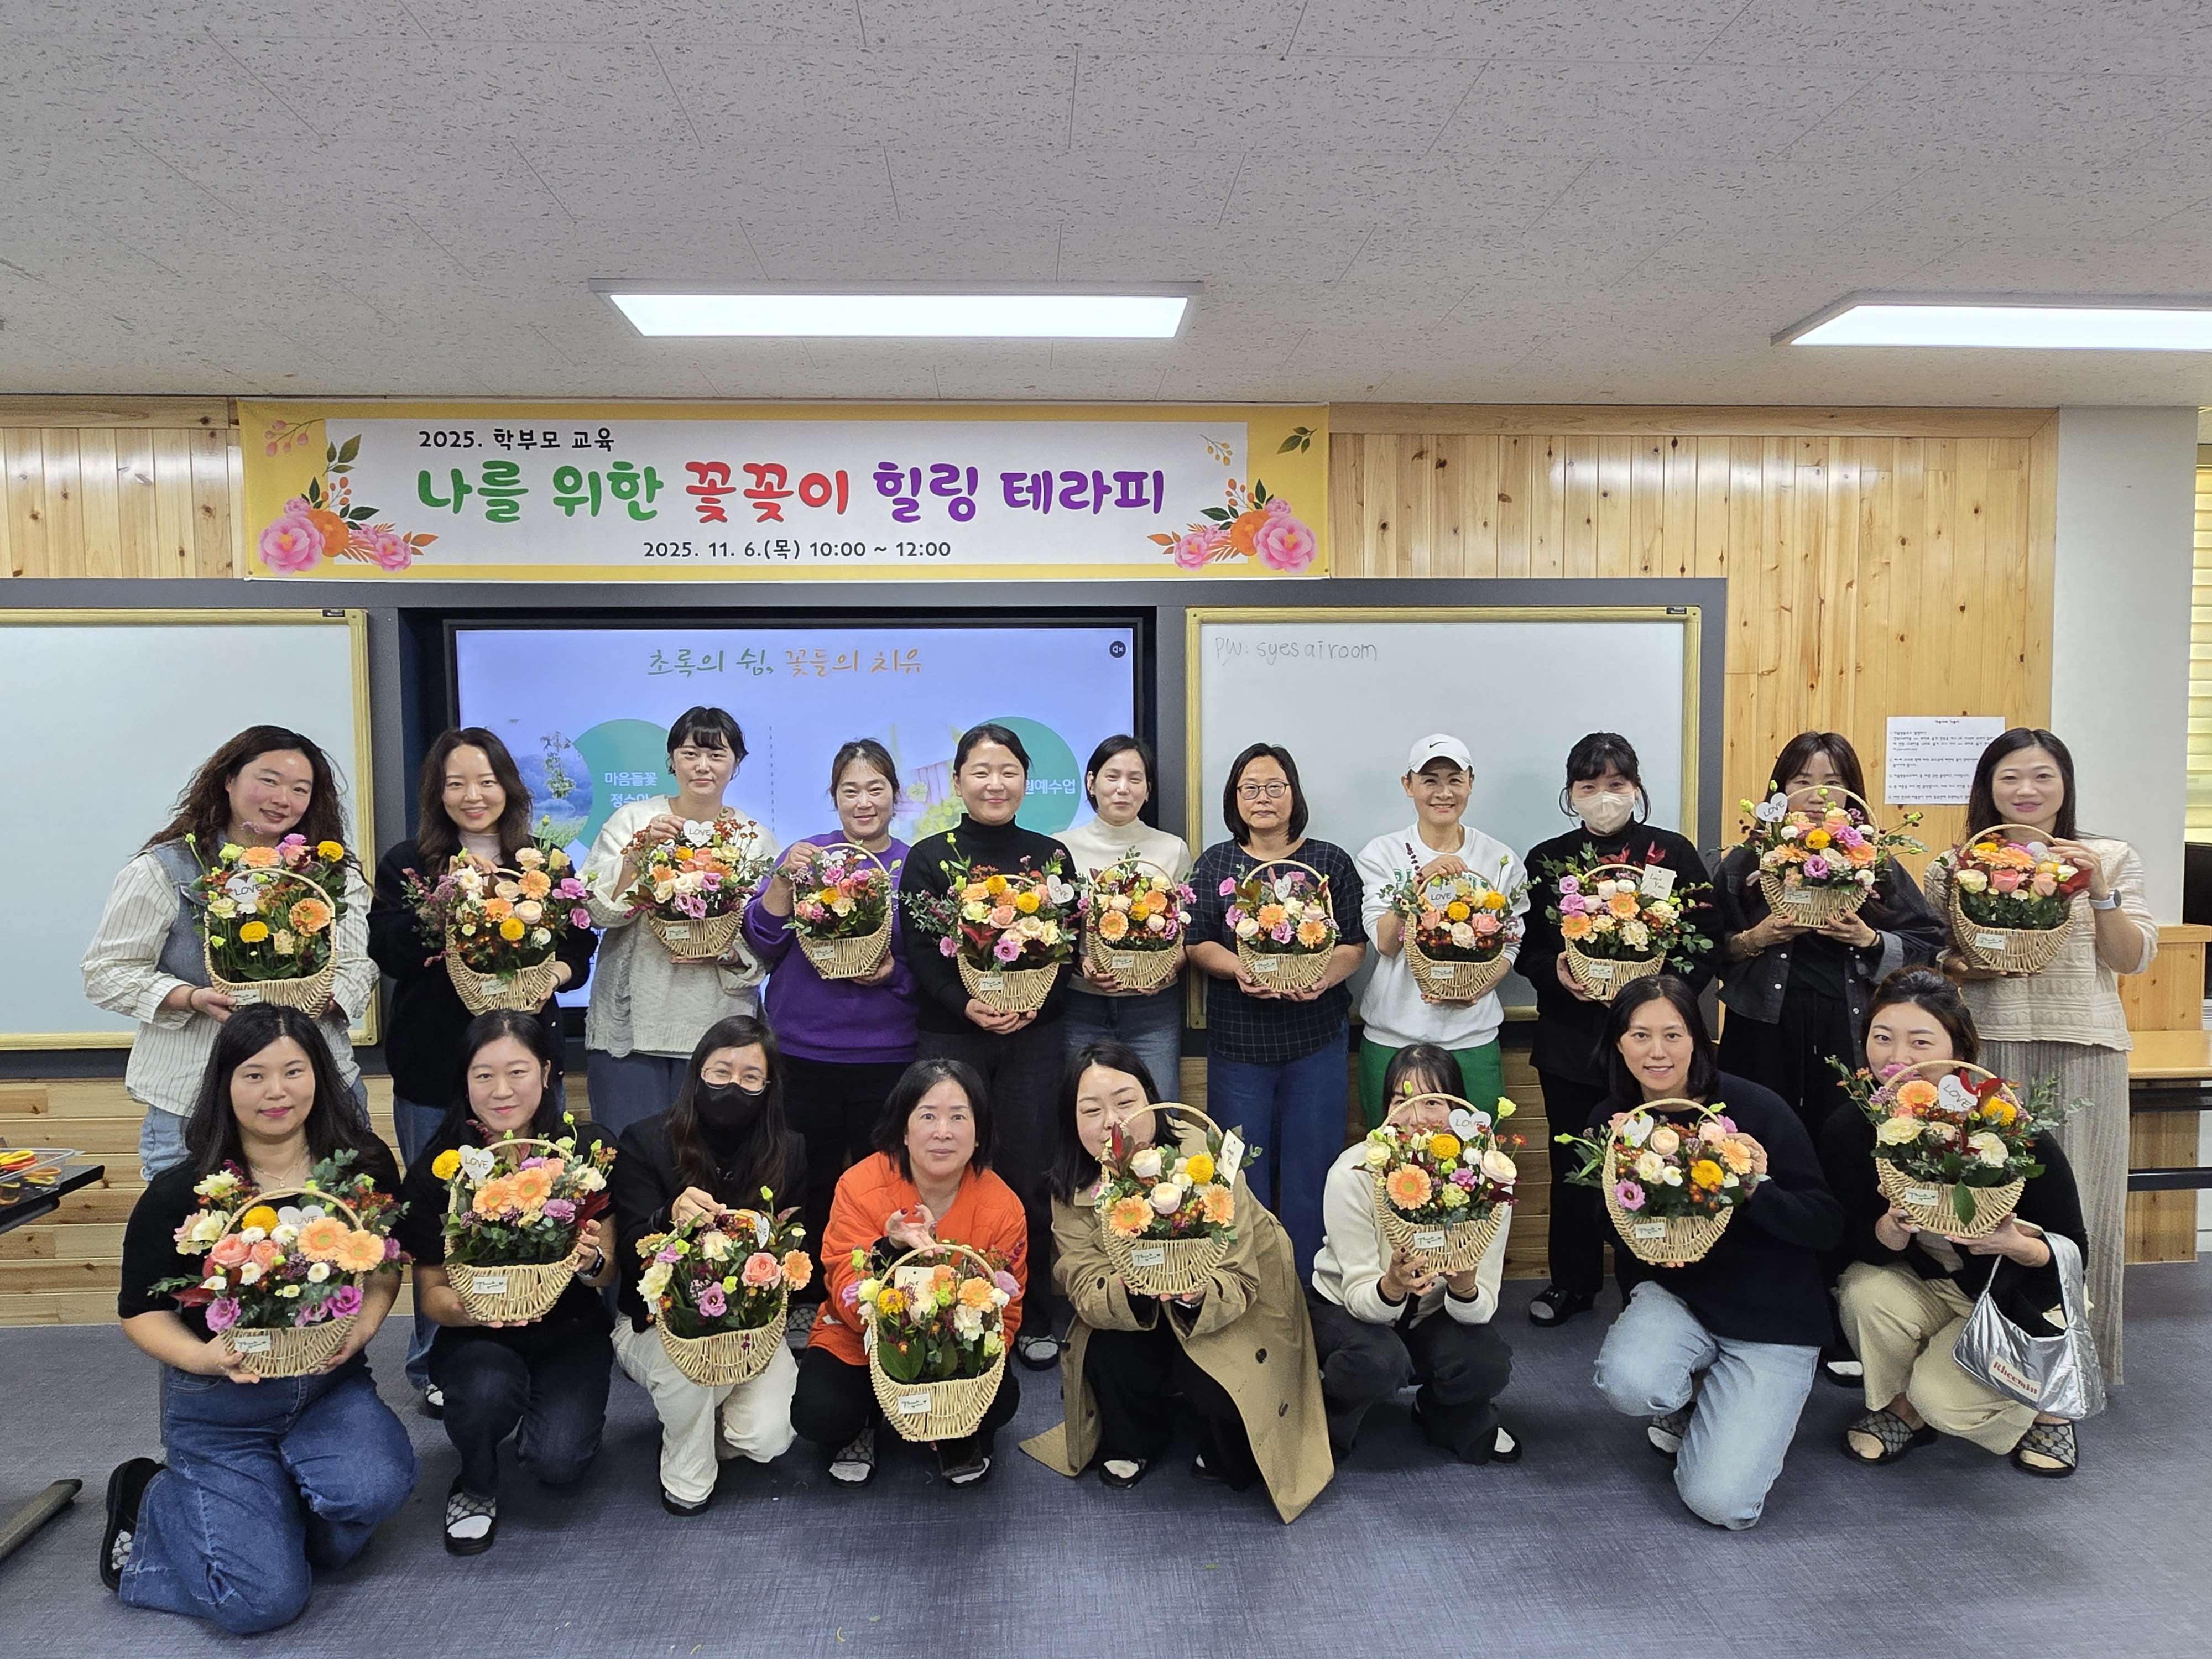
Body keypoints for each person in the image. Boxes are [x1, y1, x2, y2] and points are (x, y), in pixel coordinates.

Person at [103, 1004, 415, 1635]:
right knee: (262, 1603)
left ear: (319, 1078)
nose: (277, 1092)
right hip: (220, 1407)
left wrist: (368, 1323)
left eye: (294, 1071)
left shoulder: (362, 1165)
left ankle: (266, 1509)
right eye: (254, 1075)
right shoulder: (184, 1192)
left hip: (328, 1388)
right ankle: (151, 1504)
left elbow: (384, 1261)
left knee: (364, 1506)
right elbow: (141, 1312)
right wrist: (203, 1358)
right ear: (224, 1084)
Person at [368, 726, 597, 1415]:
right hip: (435, 1065)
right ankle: (433, 1357)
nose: (474, 796)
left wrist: (555, 965)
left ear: (509, 788)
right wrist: (460, 914)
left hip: (527, 1069)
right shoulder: (411, 863)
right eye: (457, 783)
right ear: (439, 794)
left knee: (527, 1201)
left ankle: (531, 1329)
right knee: (441, 1216)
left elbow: (580, 946)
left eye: (487, 781)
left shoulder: (544, 861)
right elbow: (391, 952)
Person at [1923, 728, 2153, 1384]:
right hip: (1986, 1052)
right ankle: (1987, 1367)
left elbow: (2130, 959)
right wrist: (1967, 967)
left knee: (2084, 1215)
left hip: (2085, 1048)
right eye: (2009, 778)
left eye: (2042, 776)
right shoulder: (1955, 864)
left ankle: (2079, 1367)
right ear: (1987, 788)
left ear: (2064, 784)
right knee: (1983, 1208)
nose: (2025, 790)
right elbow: (1937, 961)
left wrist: (2099, 889)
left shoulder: (2108, 855)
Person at [1022, 1042, 1333, 1521]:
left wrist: (1196, 1293)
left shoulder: (1205, 1156)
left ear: (1152, 1097)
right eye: (1092, 1110)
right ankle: (1136, 1438)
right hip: (1136, 1312)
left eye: (1126, 1103)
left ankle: (1220, 1431)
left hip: (1226, 1309)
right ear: (1071, 1120)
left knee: (1226, 1394)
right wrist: (1133, 1287)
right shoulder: (1073, 1184)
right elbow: (1082, 1282)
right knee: (1107, 1352)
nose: (1113, 1122)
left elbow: (1244, 1272)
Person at [1587, 977, 1842, 1531]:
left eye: (1673, 1035)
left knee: (1721, 1505)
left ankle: (1733, 1407)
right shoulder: (1612, 1123)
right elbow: (1610, 1226)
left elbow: (1825, 1224)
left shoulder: (1754, 1107)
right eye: (1639, 1035)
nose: (1657, 1052)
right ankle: (1689, 1391)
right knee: (1631, 1382)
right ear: (1617, 1044)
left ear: (1698, 1040)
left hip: (1773, 1316)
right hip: (1682, 1300)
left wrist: (1755, 1185)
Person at [1820, 969, 2090, 1477]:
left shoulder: (2005, 1124)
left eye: (1920, 1041)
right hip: (1935, 1285)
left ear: (1959, 1047)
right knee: (1861, 1290)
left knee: (1944, 1401)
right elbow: (1845, 1241)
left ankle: (2045, 1406)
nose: (1895, 1056)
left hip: (2019, 1292)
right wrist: (1889, 1231)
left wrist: (2015, 1245)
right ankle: (1906, 1404)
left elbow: (2074, 1254)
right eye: (1882, 1038)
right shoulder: (1853, 1128)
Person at [84, 726, 377, 1182]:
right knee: (193, 1238)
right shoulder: (166, 868)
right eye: (269, 780)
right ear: (228, 780)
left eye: (301, 789)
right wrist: (190, 997)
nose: (284, 798)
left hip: (317, 1094)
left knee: (328, 1237)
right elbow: (105, 973)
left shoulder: (331, 872)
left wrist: (332, 995)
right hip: (191, 1094)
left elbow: (358, 963)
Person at [394, 1011, 618, 1555]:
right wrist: (483, 1311)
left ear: (546, 1072)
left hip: (571, 1332)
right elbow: (434, 1296)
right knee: (488, 1387)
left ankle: (544, 1416)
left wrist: (588, 1262)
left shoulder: (584, 1152)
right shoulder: (441, 1170)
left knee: (559, 1464)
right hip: (478, 1337)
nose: (501, 1091)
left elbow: (605, 1272)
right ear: (464, 1081)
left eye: (517, 1072)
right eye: (483, 1075)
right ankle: (474, 1480)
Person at [1515, 732, 1713, 1328]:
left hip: (1655, 1051)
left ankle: (1651, 1285)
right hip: (1571, 1044)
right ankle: (1570, 1284)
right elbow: (1522, 949)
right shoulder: (1547, 860)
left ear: (1637, 788)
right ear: (1570, 794)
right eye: (1589, 786)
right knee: (1574, 1165)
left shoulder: (1672, 853)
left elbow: (1706, 949)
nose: (1604, 798)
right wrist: (1555, 971)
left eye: (1616, 785)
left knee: (1656, 1161)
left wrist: (1657, 994)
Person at [897, 722, 1074, 1370]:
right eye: (980, 771)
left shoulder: (1051, 855)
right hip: (950, 1037)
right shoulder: (930, 855)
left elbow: (1069, 949)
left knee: (1030, 1169)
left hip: (1036, 1039)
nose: (994, 783)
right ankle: (939, 1302)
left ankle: (1028, 1313)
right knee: (945, 1170)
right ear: (957, 781)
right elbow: (920, 951)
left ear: (1026, 780)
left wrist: (1031, 1006)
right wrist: (966, 1004)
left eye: (1007, 771)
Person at [791, 1058, 1027, 1489]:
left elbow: (1006, 1316)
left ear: (979, 1133)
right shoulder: (859, 1185)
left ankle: (953, 1426)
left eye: (959, 1117)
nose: (943, 1132)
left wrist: (960, 1379)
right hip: (861, 1342)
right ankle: (865, 1419)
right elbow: (843, 1285)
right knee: (821, 1413)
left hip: (956, 1350)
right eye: (928, 1116)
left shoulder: (1003, 1205)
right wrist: (890, 1247)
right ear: (903, 1130)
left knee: (999, 1405)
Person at [609, 1015, 806, 1514]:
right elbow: (630, 1254)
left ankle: (700, 1425)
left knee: (767, 1438)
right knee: (689, 1374)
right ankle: (687, 1465)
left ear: (769, 1087)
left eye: (750, 1078)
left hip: (752, 1331)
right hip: (656, 1324)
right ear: (697, 1073)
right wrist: (666, 1219)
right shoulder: (644, 1140)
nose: (733, 1086)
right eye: (720, 1072)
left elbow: (804, 1248)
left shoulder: (790, 1149)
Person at [1187, 742, 1369, 1277]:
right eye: (1251, 789)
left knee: (1313, 1172)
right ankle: (1255, 1284)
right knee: (1242, 1173)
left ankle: (1313, 1291)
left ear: (1294, 794)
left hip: (1316, 1038)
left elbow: (1353, 944)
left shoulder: (1330, 861)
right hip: (1238, 1046)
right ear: (1234, 798)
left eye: (1275, 787)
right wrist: (1241, 969)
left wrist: (1321, 976)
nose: (1263, 799)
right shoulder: (1217, 862)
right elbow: (1197, 943)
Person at [743, 738, 919, 1270]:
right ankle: (805, 1289)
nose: (864, 802)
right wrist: (782, 878)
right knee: (802, 1177)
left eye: (875, 789)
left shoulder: (914, 867)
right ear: (834, 797)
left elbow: (929, 968)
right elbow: (764, 942)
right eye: (850, 791)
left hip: (888, 1057)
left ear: (895, 796)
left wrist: (893, 977)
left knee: (882, 1182)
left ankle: (877, 1288)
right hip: (802, 1053)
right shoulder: (806, 857)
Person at [1713, 732, 1944, 1136]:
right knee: (1759, 1133)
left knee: (1846, 1137)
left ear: (1852, 792)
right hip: (1764, 1027)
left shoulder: (1877, 860)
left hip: (1849, 1024)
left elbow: (1930, 940)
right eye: (1803, 782)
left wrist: (1870, 940)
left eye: (1834, 782)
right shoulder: (1750, 860)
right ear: (1781, 791)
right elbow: (1709, 945)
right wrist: (1756, 938)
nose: (1819, 795)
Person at [1308, 1042, 1517, 1465]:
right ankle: (1327, 1414)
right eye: (1403, 1101)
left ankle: (1441, 1410)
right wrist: (1391, 1287)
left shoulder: (1487, 1181)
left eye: (1434, 1101)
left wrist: (1464, 1288)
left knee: (1486, 1361)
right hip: (1347, 1309)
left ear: (1459, 1110)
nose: (1418, 1117)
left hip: (1431, 1315)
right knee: (1377, 1361)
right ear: (1385, 1109)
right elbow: (1359, 1297)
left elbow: (1481, 1311)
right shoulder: (1354, 1172)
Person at [582, 706, 780, 1139]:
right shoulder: (633, 821)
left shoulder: (755, 838)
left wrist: (728, 951)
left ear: (737, 764)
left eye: (717, 754)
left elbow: (765, 934)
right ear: (672, 759)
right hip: (630, 1031)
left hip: (719, 1027)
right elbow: (597, 913)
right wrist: (637, 854)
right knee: (629, 1160)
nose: (703, 766)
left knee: (709, 1166)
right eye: (690, 753)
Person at [1353, 733, 1528, 1130]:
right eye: (1430, 780)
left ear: (1471, 782)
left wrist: (1480, 986)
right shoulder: (1382, 854)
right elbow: (1384, 944)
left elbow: (1511, 945)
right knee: (1392, 1165)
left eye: (1455, 779)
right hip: (1393, 1036)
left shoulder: (1500, 860)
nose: (1443, 792)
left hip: (1471, 1036)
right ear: (1408, 785)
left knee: (1477, 1166)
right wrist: (1415, 887)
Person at [1058, 734, 1194, 1099]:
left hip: (1153, 1008)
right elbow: (1053, 932)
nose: (1123, 789)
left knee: (1158, 1107)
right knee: (1083, 1112)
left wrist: (1168, 968)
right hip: (1081, 1004)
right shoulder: (1061, 848)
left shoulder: (1171, 849)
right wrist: (1079, 963)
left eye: (1135, 779)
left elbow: (1185, 934)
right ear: (1091, 782)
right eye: (1112, 776)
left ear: (1148, 790)